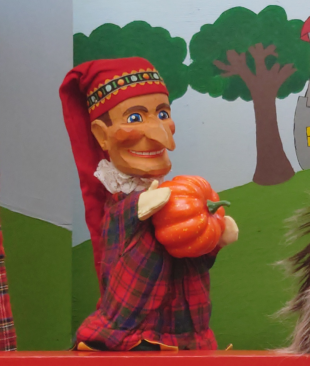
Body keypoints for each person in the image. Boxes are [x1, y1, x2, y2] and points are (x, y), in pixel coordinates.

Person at [60, 58, 238, 351]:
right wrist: (138, 208)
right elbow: (121, 238)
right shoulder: (121, 208)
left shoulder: (175, 196)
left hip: (186, 334)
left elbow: (186, 253)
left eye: (163, 114)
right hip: (134, 335)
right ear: (102, 136)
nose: (160, 135)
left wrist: (213, 240)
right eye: (134, 118)